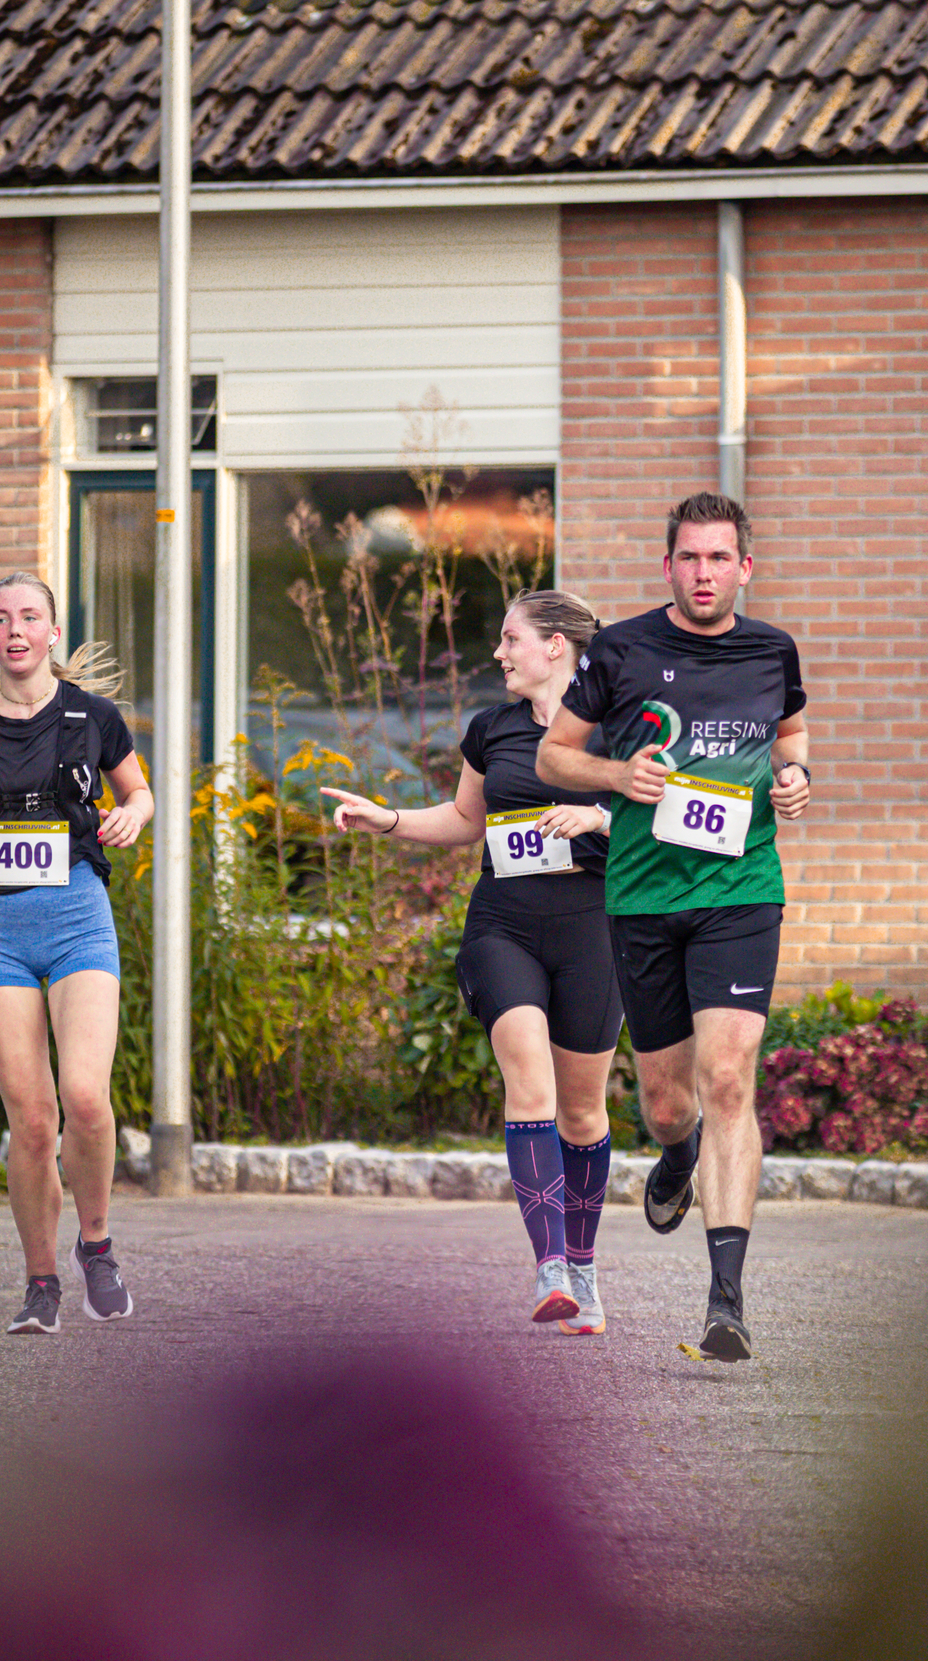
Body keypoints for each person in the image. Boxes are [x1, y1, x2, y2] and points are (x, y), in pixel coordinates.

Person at [538, 492, 808, 1365]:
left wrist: (796, 777)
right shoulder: (620, 649)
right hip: (644, 897)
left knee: (728, 1076)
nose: (704, 573)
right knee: (667, 1099)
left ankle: (726, 1302)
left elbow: (790, 736)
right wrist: (617, 774)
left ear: (744, 567)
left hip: (741, 889)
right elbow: (554, 757)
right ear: (669, 567)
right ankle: (678, 1154)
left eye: (719, 558)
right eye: (689, 558)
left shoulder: (773, 651)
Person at [325, 590, 621, 1333]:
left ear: (556, 646)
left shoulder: (616, 732)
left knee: (583, 1111)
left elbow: (662, 822)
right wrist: (384, 817)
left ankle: (582, 1267)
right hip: (505, 926)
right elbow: (464, 820)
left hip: (594, 926)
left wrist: (600, 815)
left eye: (510, 638)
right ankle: (548, 1266)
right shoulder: (491, 729)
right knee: (528, 1077)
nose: (499, 653)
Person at [0, 570, 153, 1336]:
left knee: (84, 1097)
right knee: (34, 1122)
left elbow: (138, 793)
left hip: (79, 915)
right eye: (0, 619)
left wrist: (132, 818)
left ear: (52, 633)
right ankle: (40, 1282)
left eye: (29, 617)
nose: (14, 629)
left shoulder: (92, 716)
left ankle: (98, 1246)